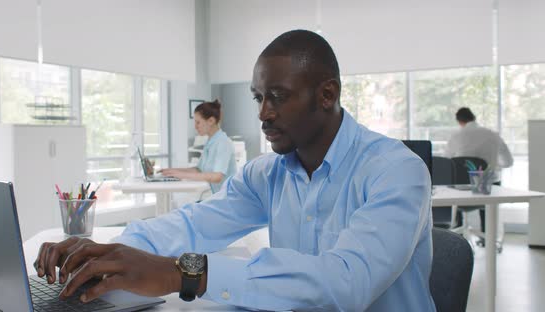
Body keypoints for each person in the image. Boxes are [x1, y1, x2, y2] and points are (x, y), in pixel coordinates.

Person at [34, 30, 435, 311]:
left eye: (277, 97)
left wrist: (185, 273)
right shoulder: (267, 174)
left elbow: (348, 283)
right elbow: (193, 225)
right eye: (259, 97)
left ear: (327, 95)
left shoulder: (396, 171)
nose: (263, 113)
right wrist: (110, 254)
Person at [445, 107, 513, 236]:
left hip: (460, 192)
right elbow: (508, 162)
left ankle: (457, 234)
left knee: (457, 183)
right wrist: (493, 164)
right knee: (488, 183)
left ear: (459, 121)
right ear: (474, 118)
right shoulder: (493, 134)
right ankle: (487, 234)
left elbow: (447, 161)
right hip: (486, 188)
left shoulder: (456, 136)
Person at [159, 99, 237, 193]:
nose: (195, 127)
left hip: (225, 198)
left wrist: (182, 175)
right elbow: (198, 170)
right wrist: (172, 171)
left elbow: (217, 177)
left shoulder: (223, 143)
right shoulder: (211, 141)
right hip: (213, 196)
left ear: (211, 121)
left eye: (198, 122)